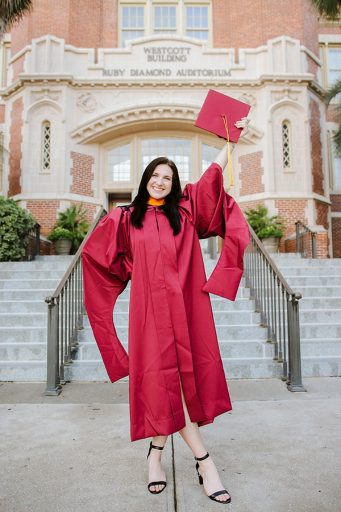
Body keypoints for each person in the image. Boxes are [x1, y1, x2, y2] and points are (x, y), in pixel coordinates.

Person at [82, 119, 250, 504]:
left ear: (174, 185)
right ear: (145, 180)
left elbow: (212, 180)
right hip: (150, 318)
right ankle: (205, 462)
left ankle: (155, 455)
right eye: (155, 175)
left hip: (187, 312)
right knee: (164, 385)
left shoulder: (186, 214)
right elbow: (97, 263)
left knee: (177, 386)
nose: (160, 181)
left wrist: (229, 139)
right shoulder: (124, 219)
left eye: (168, 177)